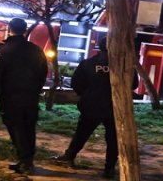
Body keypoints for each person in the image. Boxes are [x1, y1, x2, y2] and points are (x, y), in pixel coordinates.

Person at [51, 37, 137, 178]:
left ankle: (69, 157)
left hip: (91, 106)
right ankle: (109, 168)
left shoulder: (88, 64)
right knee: (113, 139)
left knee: (81, 134)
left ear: (99, 49)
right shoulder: (124, 66)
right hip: (114, 108)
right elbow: (133, 85)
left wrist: (87, 95)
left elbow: (76, 84)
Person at [0, 17, 49, 175]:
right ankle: (27, 159)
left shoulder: (3, 50)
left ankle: (25, 161)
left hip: (10, 96)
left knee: (16, 127)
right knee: (29, 127)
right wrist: (36, 89)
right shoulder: (36, 50)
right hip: (30, 95)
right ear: (25, 29)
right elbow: (43, 73)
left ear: (9, 28)